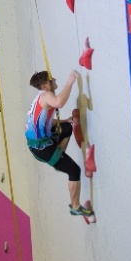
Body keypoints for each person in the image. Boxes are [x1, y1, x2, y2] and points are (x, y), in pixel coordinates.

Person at [26, 69, 92, 217]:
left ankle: (58, 158)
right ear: (45, 86)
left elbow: (46, 122)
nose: (55, 80)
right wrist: (70, 82)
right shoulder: (46, 95)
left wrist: (64, 120)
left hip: (39, 143)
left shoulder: (40, 98)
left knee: (67, 128)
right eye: (51, 80)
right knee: (74, 170)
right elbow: (59, 102)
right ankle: (75, 207)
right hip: (43, 148)